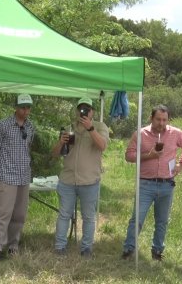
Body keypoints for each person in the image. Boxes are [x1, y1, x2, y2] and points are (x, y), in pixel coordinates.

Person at [122, 104, 182, 261]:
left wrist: (181, 164)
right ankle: (128, 249)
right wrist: (149, 155)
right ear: (151, 118)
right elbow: (129, 155)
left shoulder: (175, 133)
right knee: (137, 219)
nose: (161, 123)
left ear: (168, 119)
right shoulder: (141, 134)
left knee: (162, 221)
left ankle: (157, 251)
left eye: (164, 120)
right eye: (158, 119)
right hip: (145, 183)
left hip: (167, 184)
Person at [52, 97, 109, 257]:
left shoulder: (100, 127)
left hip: (89, 180)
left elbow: (103, 146)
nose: (83, 112)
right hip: (67, 180)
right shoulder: (69, 128)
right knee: (64, 214)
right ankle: (60, 247)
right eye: (80, 109)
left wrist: (91, 129)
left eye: (87, 109)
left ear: (92, 112)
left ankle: (86, 249)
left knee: (88, 216)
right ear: (77, 111)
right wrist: (61, 142)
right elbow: (55, 154)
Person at [0, 94, 35, 262]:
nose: (26, 110)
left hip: (24, 176)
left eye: (28, 107)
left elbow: (28, 148)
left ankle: (13, 245)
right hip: (6, 175)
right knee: (3, 214)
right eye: (23, 107)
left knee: (20, 214)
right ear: (15, 107)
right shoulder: (3, 125)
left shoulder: (31, 127)